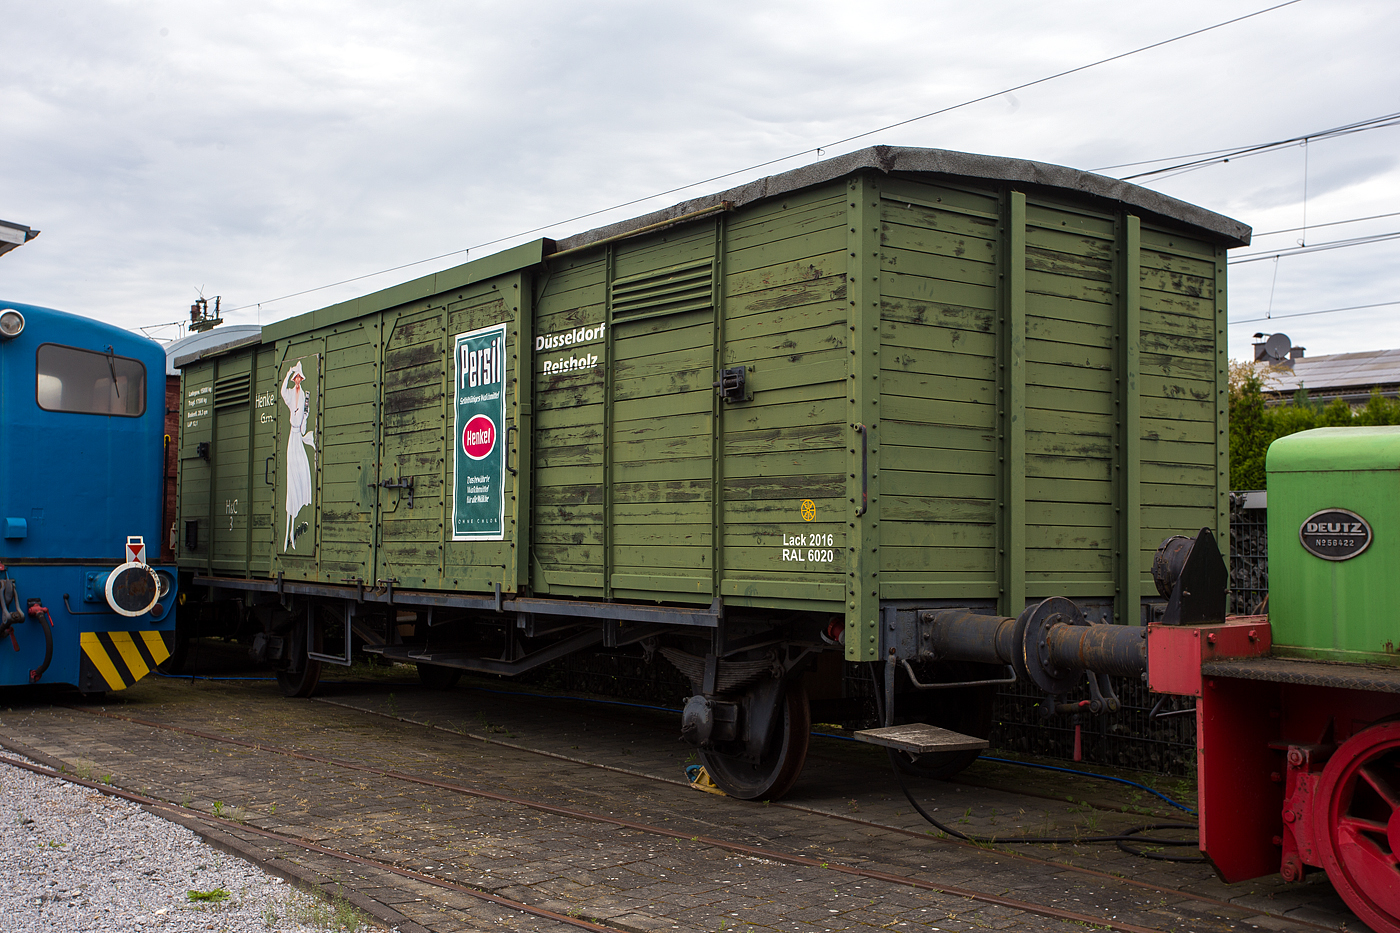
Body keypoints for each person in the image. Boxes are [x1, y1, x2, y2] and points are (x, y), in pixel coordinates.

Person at [281, 361, 316, 550]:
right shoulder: (291, 394)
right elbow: (282, 393)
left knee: (301, 475)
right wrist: (288, 372)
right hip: (292, 439)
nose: (297, 380)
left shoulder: (303, 395)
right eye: (296, 378)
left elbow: (303, 420)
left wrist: (305, 424)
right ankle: (289, 533)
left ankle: (292, 534)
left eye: (298, 378)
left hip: (297, 436)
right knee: (291, 480)